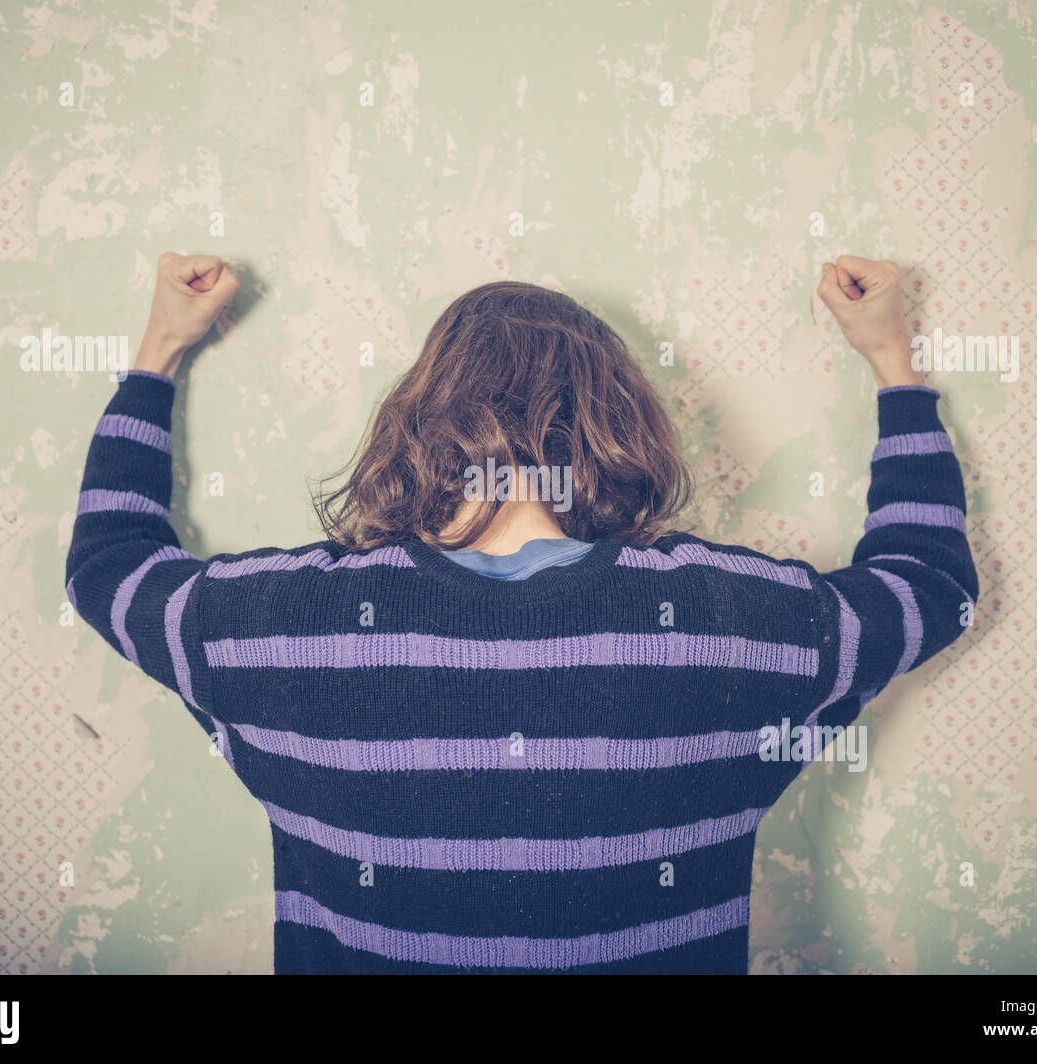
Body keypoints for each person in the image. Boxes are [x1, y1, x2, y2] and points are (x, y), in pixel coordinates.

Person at [66, 251, 977, 973]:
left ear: (417, 421)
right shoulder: (726, 631)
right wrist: (894, 364)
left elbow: (110, 566)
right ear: (615, 421)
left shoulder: (284, 633)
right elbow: (930, 584)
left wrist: (158, 351)